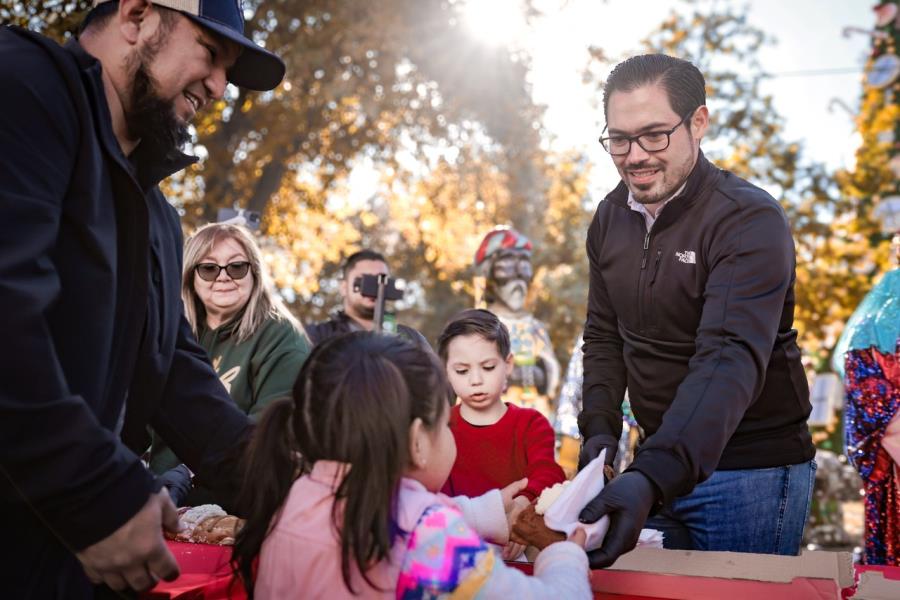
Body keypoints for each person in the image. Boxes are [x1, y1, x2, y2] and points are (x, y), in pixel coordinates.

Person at [0, 0, 285, 596]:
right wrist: (93, 490)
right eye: (210, 55)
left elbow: (183, 385)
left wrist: (308, 490)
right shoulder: (25, 85)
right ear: (136, 17)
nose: (218, 86)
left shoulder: (158, 220)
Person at [577, 54, 816, 567]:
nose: (634, 156)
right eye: (618, 139)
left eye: (654, 135)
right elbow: (603, 336)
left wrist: (652, 475)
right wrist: (599, 435)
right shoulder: (608, 217)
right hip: (656, 465)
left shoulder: (748, 219)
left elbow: (727, 357)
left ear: (698, 123)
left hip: (750, 473)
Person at [231, 332, 591, 598]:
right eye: (446, 426)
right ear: (418, 441)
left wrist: (492, 511)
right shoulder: (429, 536)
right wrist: (564, 557)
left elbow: (397, 511)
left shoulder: (298, 496)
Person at [148, 223, 311, 506]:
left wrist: (186, 474)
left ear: (254, 273)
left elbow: (271, 434)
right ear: (190, 276)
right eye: (208, 268)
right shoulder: (172, 334)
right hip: (161, 504)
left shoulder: (282, 338)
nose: (223, 277)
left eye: (236, 267)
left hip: (236, 507)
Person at [437, 309, 567, 560]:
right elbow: (436, 496)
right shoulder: (442, 427)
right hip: (459, 545)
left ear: (507, 365)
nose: (476, 380)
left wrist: (521, 508)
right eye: (462, 371)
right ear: (446, 372)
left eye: (487, 367)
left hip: (520, 541)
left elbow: (549, 473)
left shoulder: (530, 423)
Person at [474, 228, 561, 420]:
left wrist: (535, 374)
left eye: (524, 267)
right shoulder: (477, 325)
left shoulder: (535, 328)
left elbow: (551, 371)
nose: (518, 278)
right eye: (507, 267)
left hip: (535, 420)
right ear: (488, 273)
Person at [305, 249, 430, 348]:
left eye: (382, 279)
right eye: (364, 279)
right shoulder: (317, 337)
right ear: (344, 287)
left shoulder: (411, 339)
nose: (375, 286)